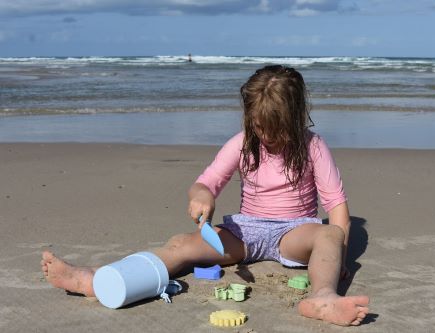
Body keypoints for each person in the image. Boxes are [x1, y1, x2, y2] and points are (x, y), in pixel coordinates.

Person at [41, 65, 369, 326]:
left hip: (295, 232)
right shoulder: (243, 143)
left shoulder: (312, 146)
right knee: (180, 244)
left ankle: (323, 296)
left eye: (275, 128)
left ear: (296, 117)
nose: (267, 136)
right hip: (246, 230)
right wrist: (202, 196)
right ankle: (96, 279)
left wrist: (337, 254)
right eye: (259, 126)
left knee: (330, 232)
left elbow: (337, 205)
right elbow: (207, 182)